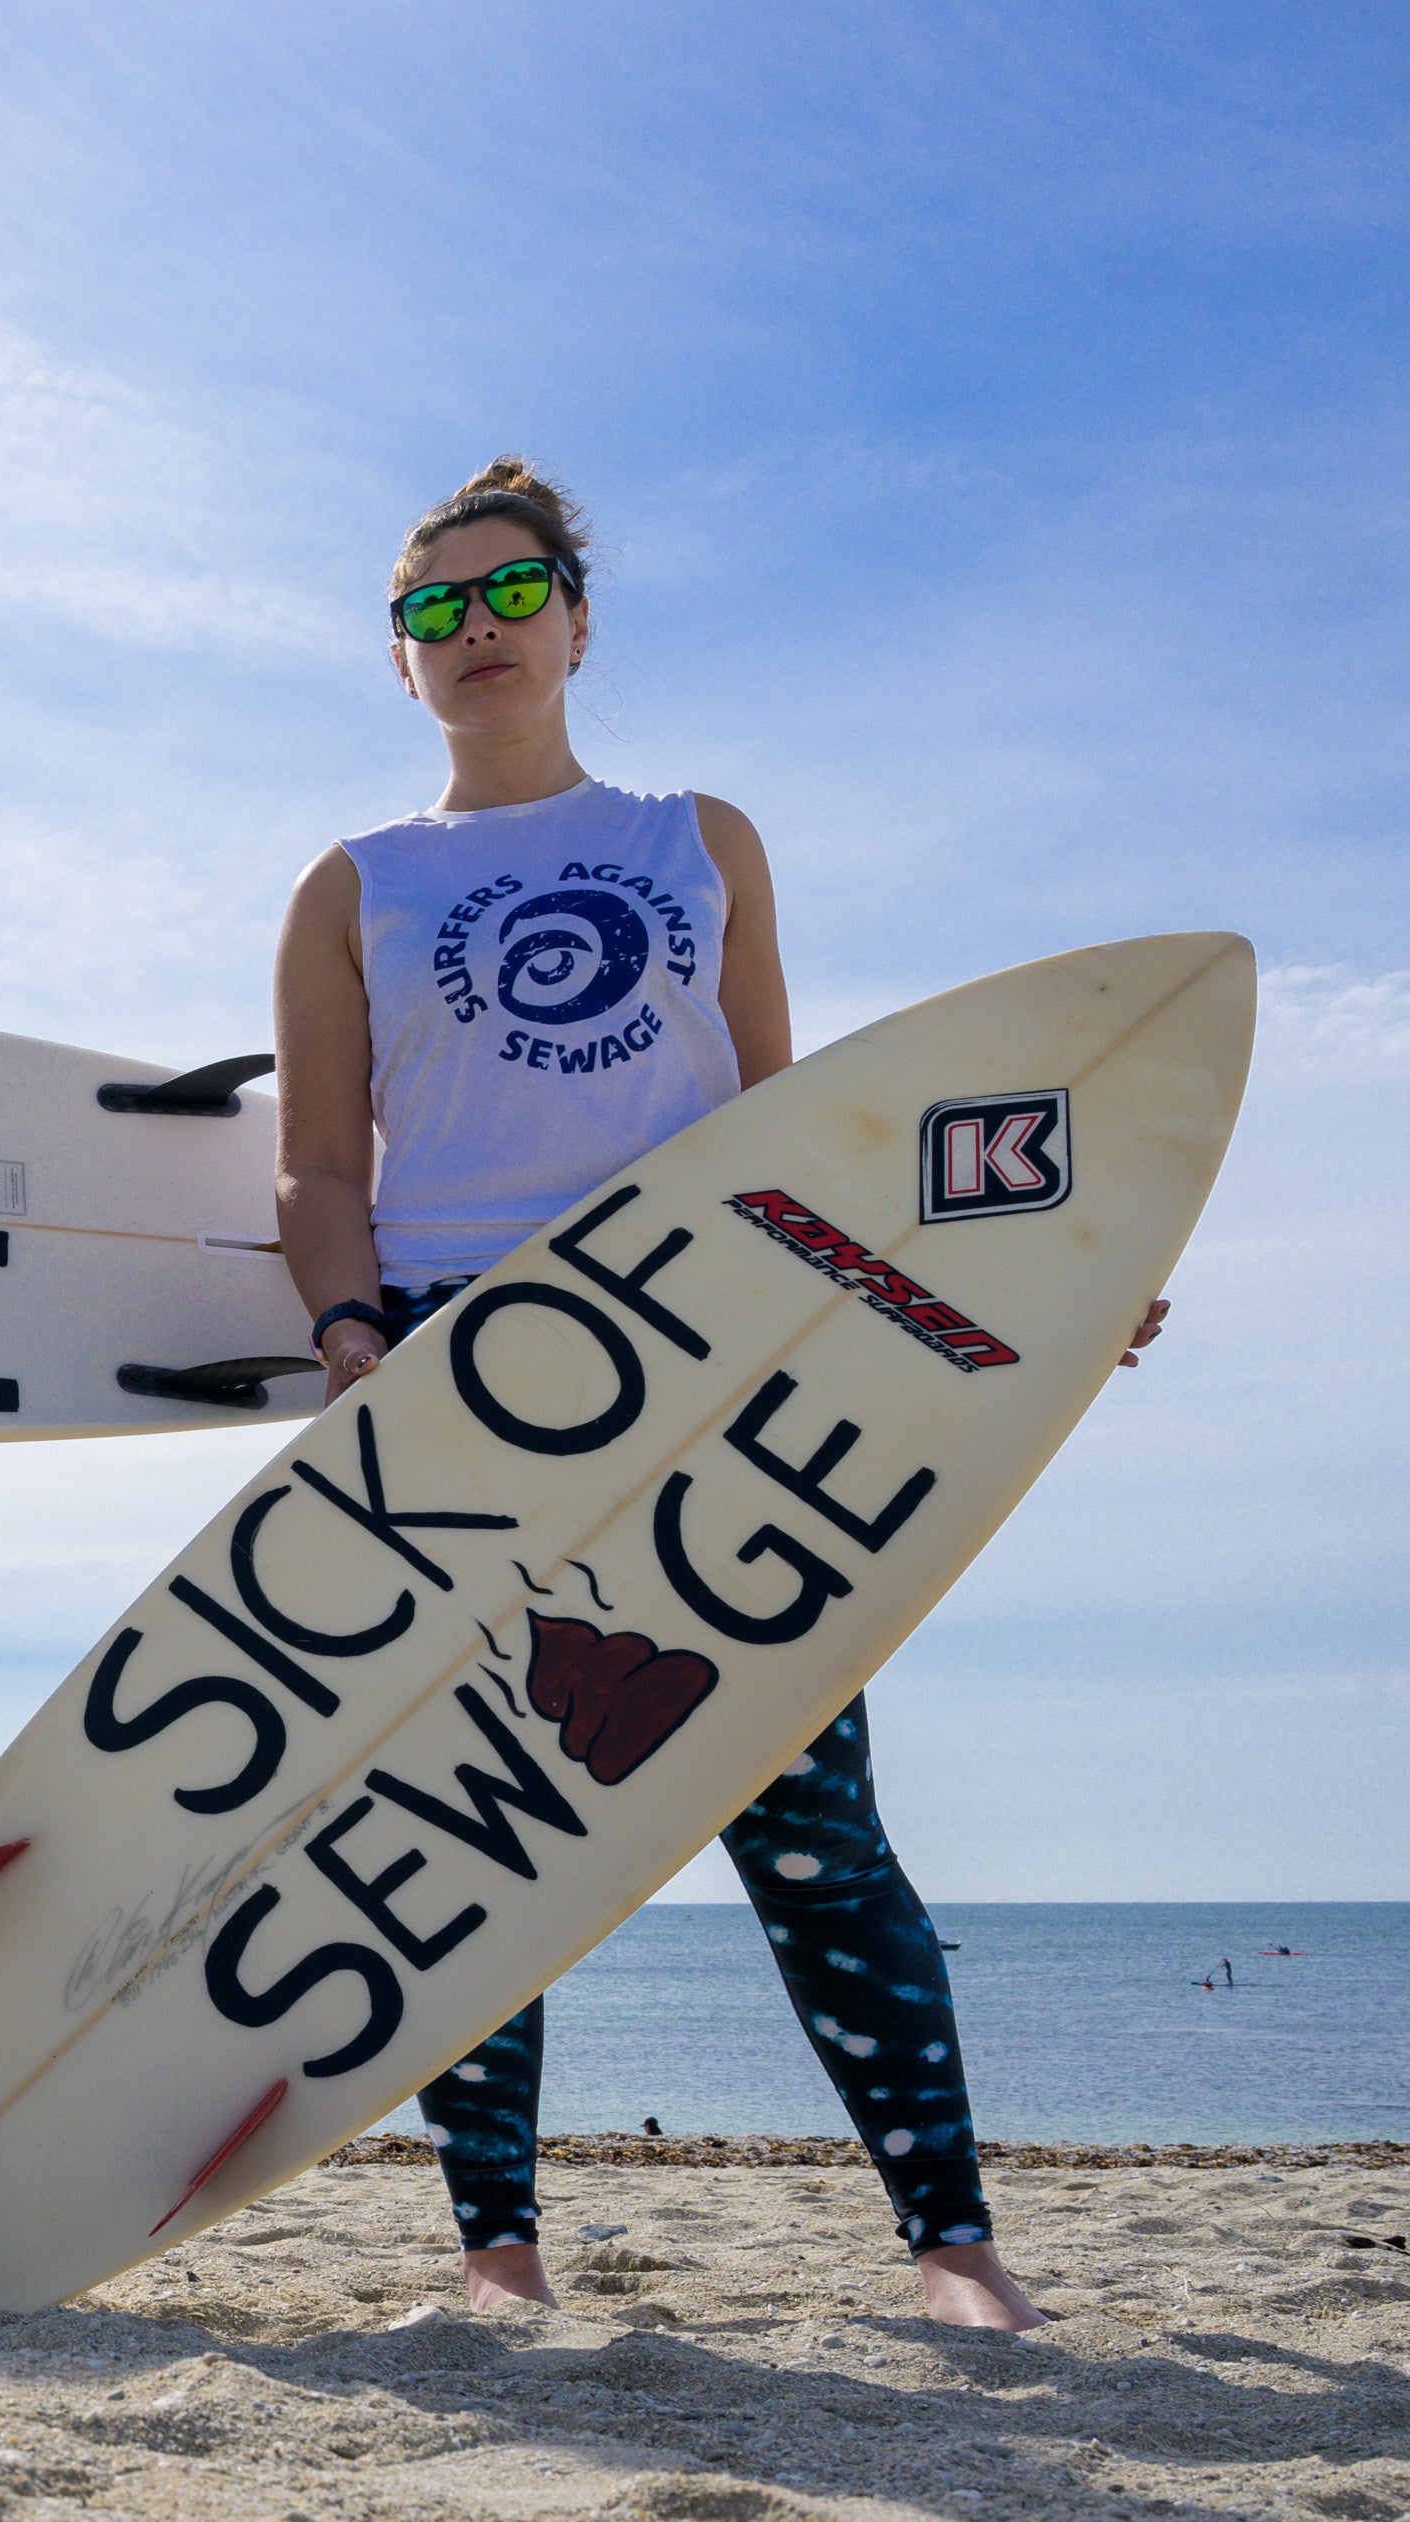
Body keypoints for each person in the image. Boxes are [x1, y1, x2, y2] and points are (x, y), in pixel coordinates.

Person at [270, 457, 1166, 2335]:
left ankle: (953, 2244)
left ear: (579, 620)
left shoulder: (702, 839)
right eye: (433, 611)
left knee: (809, 1811)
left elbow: (802, 1132)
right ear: (397, 664)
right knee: (480, 1803)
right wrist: (356, 1347)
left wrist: (1039, 1288)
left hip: (713, 1343)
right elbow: (321, 1169)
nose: (476, 632)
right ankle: (498, 2249)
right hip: (459, 1353)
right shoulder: (357, 884)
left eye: (508, 596)